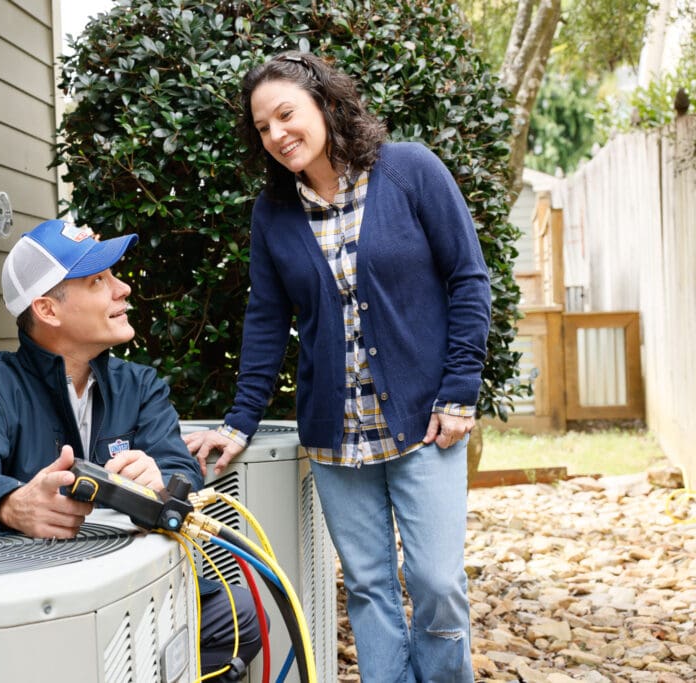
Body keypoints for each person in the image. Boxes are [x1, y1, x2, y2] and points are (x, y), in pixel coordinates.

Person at [184, 52, 490, 683]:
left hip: (425, 422)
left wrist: (459, 391)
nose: (277, 135)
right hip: (336, 433)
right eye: (262, 127)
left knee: (435, 579)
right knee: (371, 586)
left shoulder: (410, 171)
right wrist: (239, 422)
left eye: (286, 114)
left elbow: (468, 279)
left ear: (324, 103)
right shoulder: (273, 214)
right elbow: (267, 320)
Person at [0, 218, 262, 681]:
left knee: (240, 616)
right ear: (47, 309)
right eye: (98, 281)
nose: (122, 289)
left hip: (138, 587)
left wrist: (160, 480)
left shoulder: (139, 384)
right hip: (37, 603)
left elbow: (179, 462)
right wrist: (12, 504)